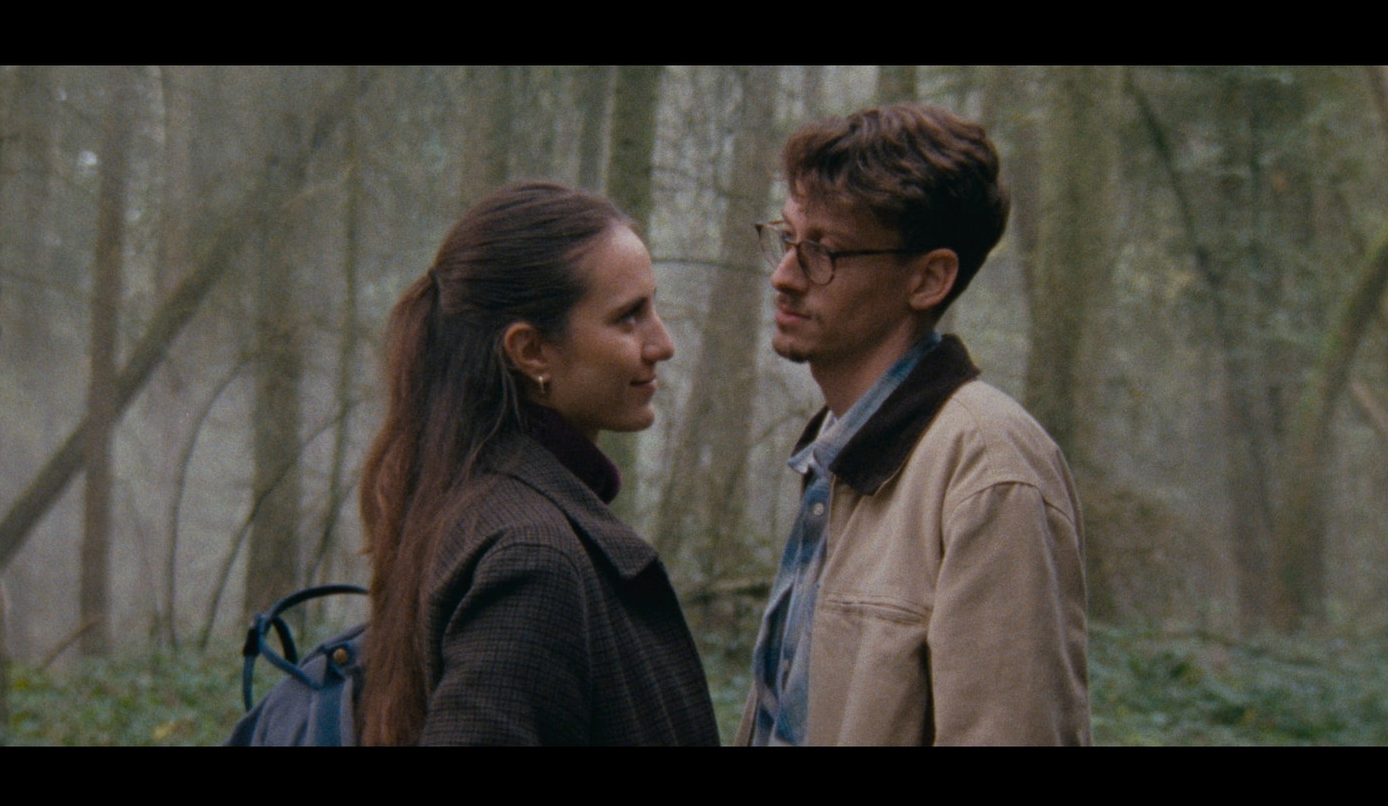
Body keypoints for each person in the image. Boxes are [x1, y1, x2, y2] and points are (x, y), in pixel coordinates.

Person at [740, 104, 1091, 746]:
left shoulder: (989, 468)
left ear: (929, 279)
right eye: (788, 239)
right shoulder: (836, 451)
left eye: (823, 252)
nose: (784, 276)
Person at [357, 181, 719, 746]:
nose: (662, 343)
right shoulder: (532, 555)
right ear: (530, 351)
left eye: (653, 306)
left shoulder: (480, 502)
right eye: (629, 317)